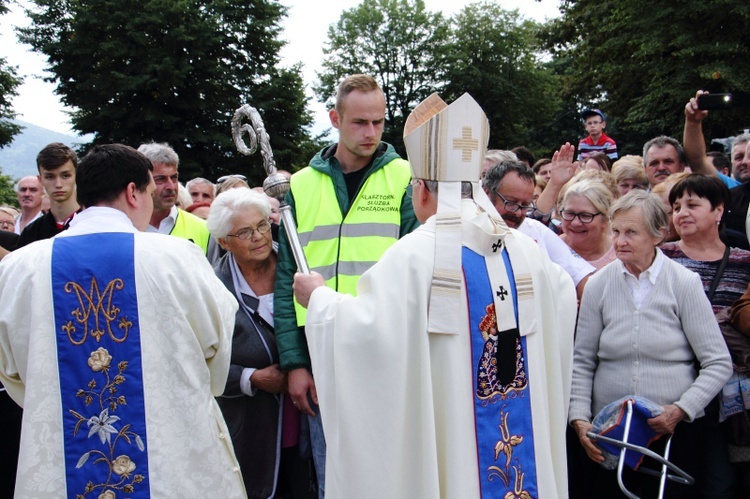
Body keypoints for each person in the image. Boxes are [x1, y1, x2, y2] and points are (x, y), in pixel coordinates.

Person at [293, 93, 577, 498]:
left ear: (422, 189)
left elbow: (367, 338)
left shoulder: (412, 257)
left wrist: (319, 300)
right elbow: (562, 300)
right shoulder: (526, 250)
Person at [0, 144, 246, 498]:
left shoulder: (20, 267)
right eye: (149, 190)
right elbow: (217, 343)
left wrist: (52, 393)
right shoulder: (177, 258)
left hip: (63, 453)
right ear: (134, 192)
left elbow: (11, 369)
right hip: (169, 452)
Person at [274, 74, 419, 497]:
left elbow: (417, 267)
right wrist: (295, 363)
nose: (371, 132)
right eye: (359, 122)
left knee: (388, 472)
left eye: (378, 122)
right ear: (335, 118)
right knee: (331, 470)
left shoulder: (408, 178)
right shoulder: (300, 184)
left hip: (385, 346)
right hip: (320, 349)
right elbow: (288, 278)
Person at [570, 190, 732, 498]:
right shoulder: (598, 284)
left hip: (671, 434)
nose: (620, 241)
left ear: (658, 234)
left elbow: (717, 362)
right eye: (616, 231)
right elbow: (582, 360)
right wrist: (579, 420)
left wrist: (681, 410)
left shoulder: (683, 283)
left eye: (631, 232)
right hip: (611, 434)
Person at [208, 188, 315, 499]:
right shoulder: (213, 286)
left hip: (310, 415)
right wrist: (249, 378)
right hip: (251, 428)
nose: (258, 237)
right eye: (244, 231)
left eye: (262, 226)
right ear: (223, 241)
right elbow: (198, 360)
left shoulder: (301, 268)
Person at [660, 173, 750, 496]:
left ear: (719, 210)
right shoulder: (660, 258)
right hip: (678, 387)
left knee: (722, 480)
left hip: (732, 388)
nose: (681, 212)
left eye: (692, 204)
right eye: (676, 206)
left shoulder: (744, 262)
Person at [483, 160, 595, 299]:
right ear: (486, 193)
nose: (518, 213)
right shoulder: (464, 234)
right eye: (511, 203)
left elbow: (583, 279)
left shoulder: (535, 230)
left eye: (525, 205)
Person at [138, 142, 211, 254]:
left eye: (174, 178)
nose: (171, 186)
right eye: (160, 179)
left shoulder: (204, 229)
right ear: (141, 181)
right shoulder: (125, 228)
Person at [16, 142, 81, 249]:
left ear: (76, 176)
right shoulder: (30, 233)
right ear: (40, 180)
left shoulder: (95, 225)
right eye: (50, 177)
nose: (58, 184)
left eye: (65, 176)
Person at [683, 90, 742, 189]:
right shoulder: (732, 190)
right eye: (739, 157)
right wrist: (693, 122)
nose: (745, 162)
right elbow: (698, 162)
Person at [559, 179, 616, 270]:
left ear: (604, 220)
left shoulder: (620, 255)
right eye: (570, 213)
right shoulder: (552, 249)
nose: (575, 223)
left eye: (585, 216)